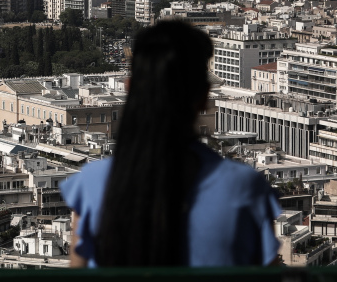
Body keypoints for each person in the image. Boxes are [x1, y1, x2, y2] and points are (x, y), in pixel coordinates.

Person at [59, 20, 281, 267]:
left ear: (129, 88)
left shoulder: (93, 183)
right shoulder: (245, 187)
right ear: (204, 96)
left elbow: (78, 272)